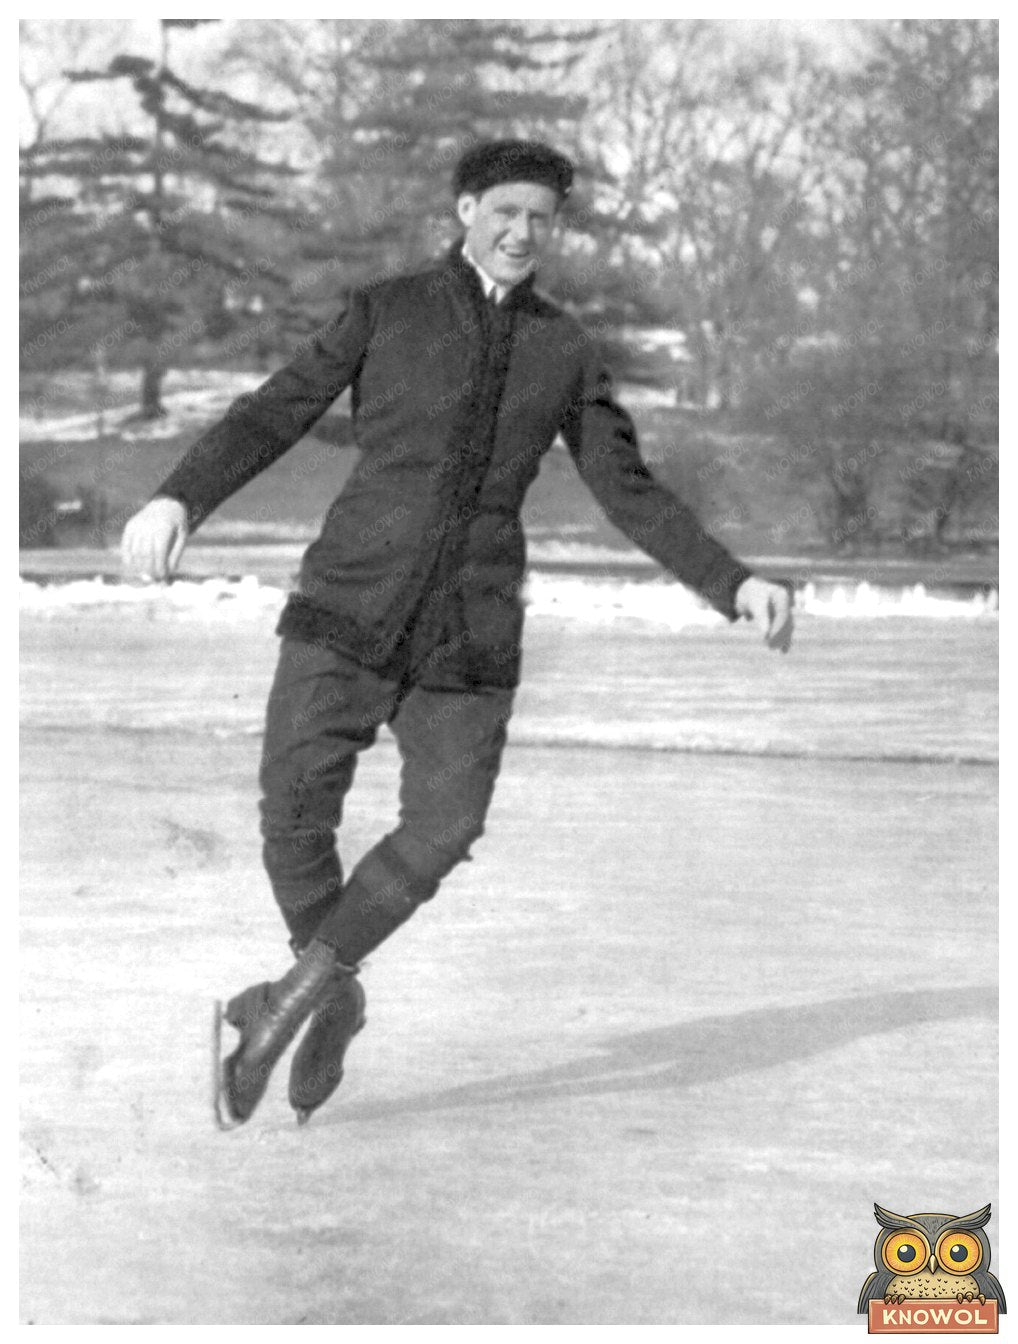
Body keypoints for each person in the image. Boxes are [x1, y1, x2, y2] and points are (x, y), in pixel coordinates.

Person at [121, 139, 794, 1129]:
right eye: (504, 211)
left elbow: (625, 489)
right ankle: (334, 995)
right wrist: (180, 497)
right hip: (348, 603)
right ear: (465, 208)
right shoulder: (386, 308)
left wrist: (730, 582)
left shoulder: (563, 349)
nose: (522, 233)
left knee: (446, 828)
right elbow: (273, 414)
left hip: (469, 633)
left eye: (541, 218)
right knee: (292, 822)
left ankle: (284, 1003)